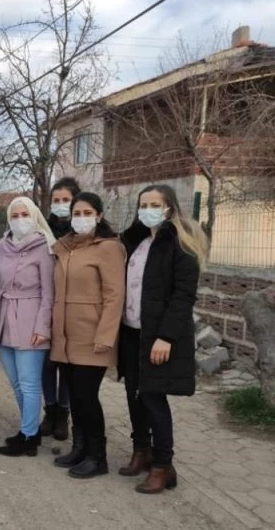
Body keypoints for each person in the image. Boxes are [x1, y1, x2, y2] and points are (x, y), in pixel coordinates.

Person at [118, 184, 207, 494]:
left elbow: (184, 296)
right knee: (134, 394)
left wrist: (165, 337)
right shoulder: (136, 241)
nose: (148, 209)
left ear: (169, 207)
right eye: (143, 204)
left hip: (158, 337)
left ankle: (162, 465)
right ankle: (141, 451)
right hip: (130, 332)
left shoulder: (180, 244)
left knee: (154, 397)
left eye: (154, 204)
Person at [50, 192, 126, 478]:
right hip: (65, 336)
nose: (80, 218)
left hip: (92, 336)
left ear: (99, 216)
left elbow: (114, 295)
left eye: (86, 212)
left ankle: (98, 456)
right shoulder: (65, 247)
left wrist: (106, 336)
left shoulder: (108, 248)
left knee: (87, 396)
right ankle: (79, 448)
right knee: (75, 396)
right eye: (76, 213)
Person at [0, 197, 56, 457]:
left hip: (31, 320)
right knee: (16, 383)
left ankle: (29, 436)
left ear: (34, 215)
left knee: (30, 384)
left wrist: (43, 327)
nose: (20, 220)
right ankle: (30, 428)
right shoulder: (2, 246)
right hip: (5, 318)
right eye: (15, 215)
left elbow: (49, 293)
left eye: (25, 214)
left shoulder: (45, 247)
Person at [41, 177, 81, 440]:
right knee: (46, 364)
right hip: (45, 308)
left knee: (66, 365)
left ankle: (64, 415)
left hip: (73, 309)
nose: (60, 205)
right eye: (56, 200)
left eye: (66, 200)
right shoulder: (42, 232)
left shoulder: (83, 236)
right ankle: (50, 411)